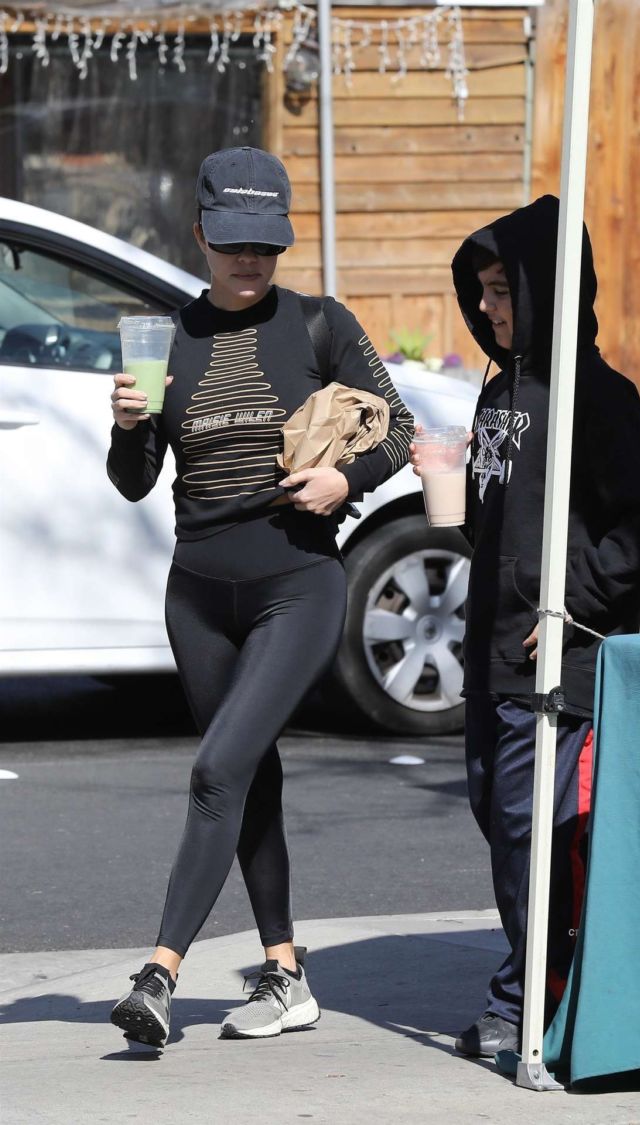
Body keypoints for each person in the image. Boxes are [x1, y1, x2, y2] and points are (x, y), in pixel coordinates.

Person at [107, 146, 414, 1048]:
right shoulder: (162, 338)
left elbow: (397, 423)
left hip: (297, 585)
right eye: (235, 243)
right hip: (196, 593)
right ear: (201, 234)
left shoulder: (319, 323)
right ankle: (285, 972)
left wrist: (346, 478)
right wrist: (127, 428)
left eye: (267, 246)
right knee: (247, 775)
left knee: (214, 770)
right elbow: (134, 482)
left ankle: (159, 972)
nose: (251, 261)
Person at [411, 195, 640, 1058]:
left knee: (537, 835)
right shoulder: (498, 395)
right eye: (482, 292)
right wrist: (447, 489)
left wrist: (577, 603)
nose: (488, 308)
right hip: (488, 653)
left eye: (503, 290)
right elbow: (501, 527)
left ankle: (530, 998)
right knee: (500, 816)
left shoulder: (597, 397)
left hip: (557, 657)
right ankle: (540, 974)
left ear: (548, 288)